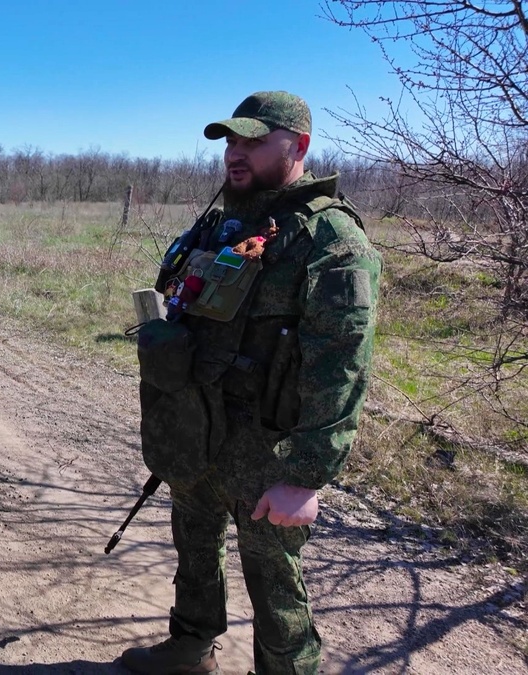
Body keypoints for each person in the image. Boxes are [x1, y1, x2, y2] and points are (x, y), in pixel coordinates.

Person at [125, 91, 381, 675]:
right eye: (231, 143)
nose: (235, 154)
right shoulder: (223, 223)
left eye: (253, 141)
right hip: (199, 431)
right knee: (194, 546)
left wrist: (306, 475)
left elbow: (341, 365)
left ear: (299, 146)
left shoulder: (330, 240)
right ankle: (190, 647)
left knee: (274, 585)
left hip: (268, 450)